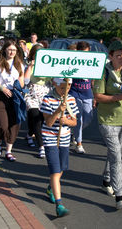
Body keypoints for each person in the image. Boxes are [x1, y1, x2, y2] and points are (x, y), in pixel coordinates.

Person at [93, 40, 122, 210]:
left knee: (117, 153)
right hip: (108, 120)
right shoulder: (103, 72)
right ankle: (119, 196)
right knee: (116, 156)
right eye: (118, 55)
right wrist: (120, 96)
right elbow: (98, 96)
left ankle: (106, 180)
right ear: (110, 56)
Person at [40, 78, 78, 217]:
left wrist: (66, 120)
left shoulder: (71, 99)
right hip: (50, 137)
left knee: (62, 168)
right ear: (55, 84)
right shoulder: (47, 99)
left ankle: (51, 188)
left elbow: (74, 122)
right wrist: (57, 111)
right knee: (55, 171)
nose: (65, 90)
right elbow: (48, 122)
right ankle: (59, 204)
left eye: (68, 87)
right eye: (62, 87)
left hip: (65, 138)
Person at [0, 40, 25, 162]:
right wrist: (1, 87)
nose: (12, 52)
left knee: (14, 124)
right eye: (10, 49)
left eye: (14, 50)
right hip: (0, 95)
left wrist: (18, 85)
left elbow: (22, 81)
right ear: (5, 50)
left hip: (14, 96)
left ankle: (8, 151)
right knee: (2, 124)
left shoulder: (19, 64)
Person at [24, 44, 51, 158]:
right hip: (32, 95)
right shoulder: (30, 65)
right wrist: (30, 67)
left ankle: (30, 134)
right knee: (36, 118)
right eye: (37, 54)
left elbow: (53, 80)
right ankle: (41, 146)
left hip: (45, 95)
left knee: (40, 120)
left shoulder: (48, 66)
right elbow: (25, 81)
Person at [68, 41, 93, 154]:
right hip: (74, 92)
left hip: (87, 93)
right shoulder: (73, 62)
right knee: (78, 119)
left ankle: (74, 131)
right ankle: (79, 143)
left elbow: (95, 79)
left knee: (88, 118)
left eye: (86, 53)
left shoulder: (92, 62)